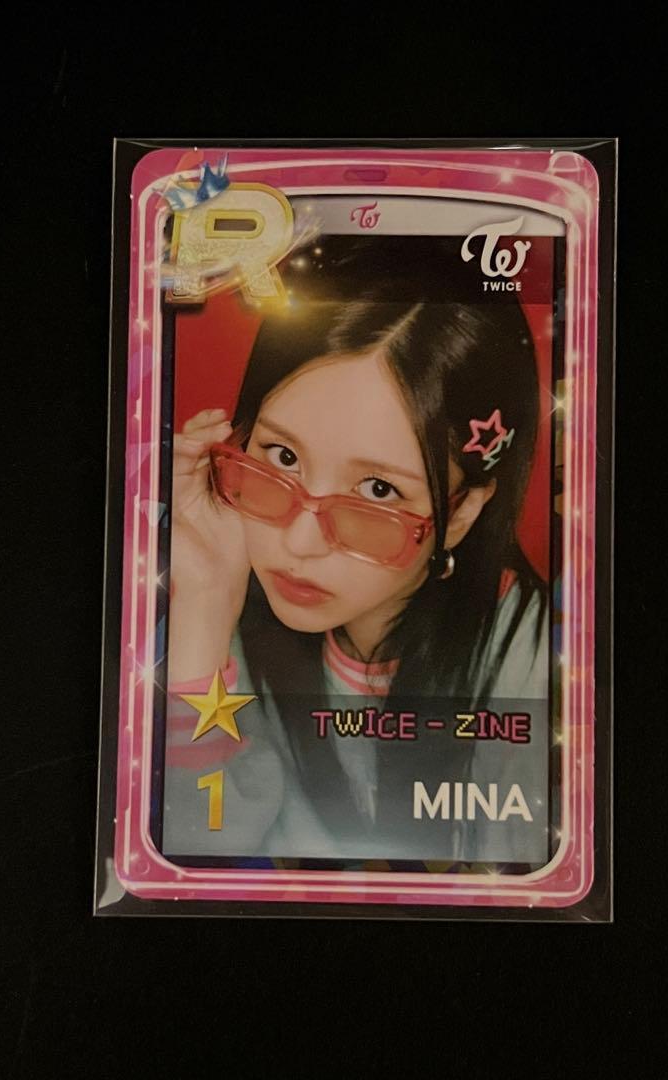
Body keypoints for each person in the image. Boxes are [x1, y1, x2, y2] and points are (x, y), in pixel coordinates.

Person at [162, 238, 551, 867]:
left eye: (378, 490)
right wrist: (204, 605)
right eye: (282, 456)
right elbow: (199, 842)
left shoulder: (539, 662)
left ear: (462, 512)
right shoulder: (228, 598)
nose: (299, 542)